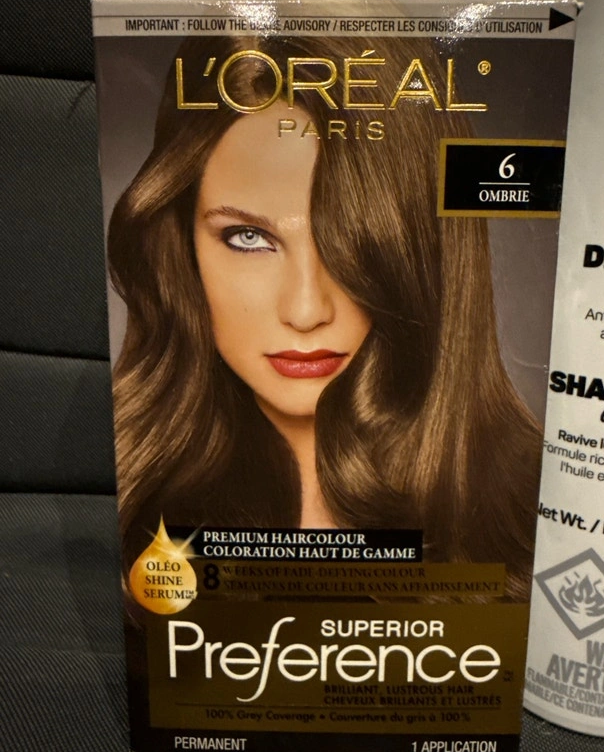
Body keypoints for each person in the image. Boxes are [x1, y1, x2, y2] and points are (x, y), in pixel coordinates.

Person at [108, 34, 542, 602]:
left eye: (348, 246)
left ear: (422, 254)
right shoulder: (135, 503)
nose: (306, 311)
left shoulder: (537, 508)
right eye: (248, 237)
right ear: (182, 245)